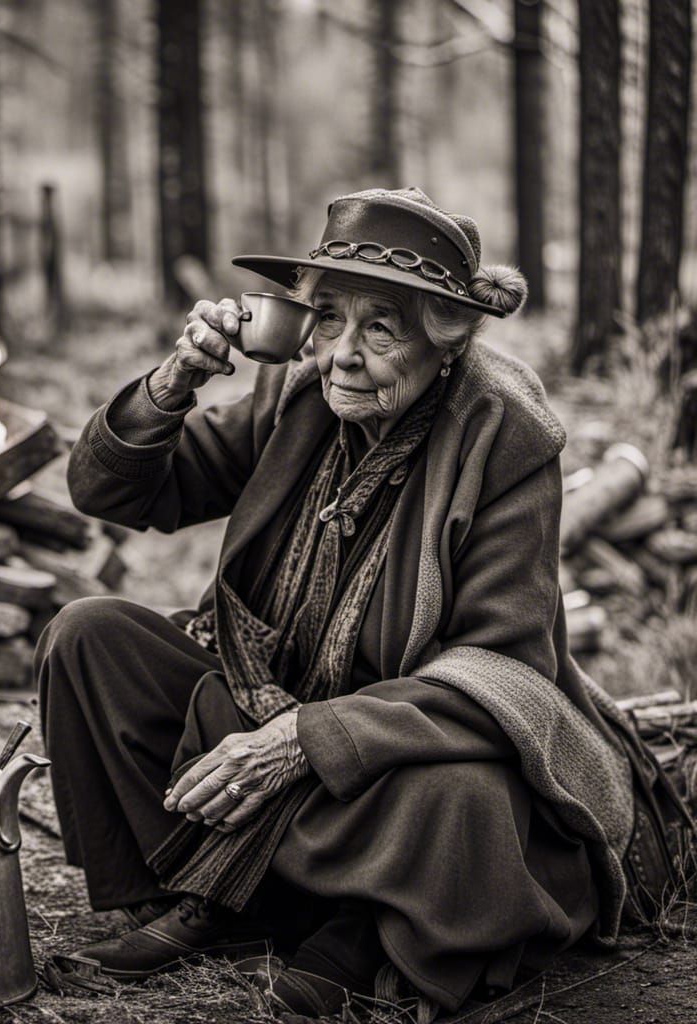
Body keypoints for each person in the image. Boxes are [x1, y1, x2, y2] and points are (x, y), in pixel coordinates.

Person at [34, 187, 653, 1020]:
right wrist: (176, 377)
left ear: (445, 340)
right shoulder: (302, 396)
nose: (344, 356)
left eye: (381, 328)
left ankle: (357, 920)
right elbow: (112, 491)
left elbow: (503, 667)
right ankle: (206, 892)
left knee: (466, 801)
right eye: (329, 321)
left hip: (394, 754)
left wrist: (308, 738)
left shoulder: (503, 432)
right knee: (88, 635)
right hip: (265, 705)